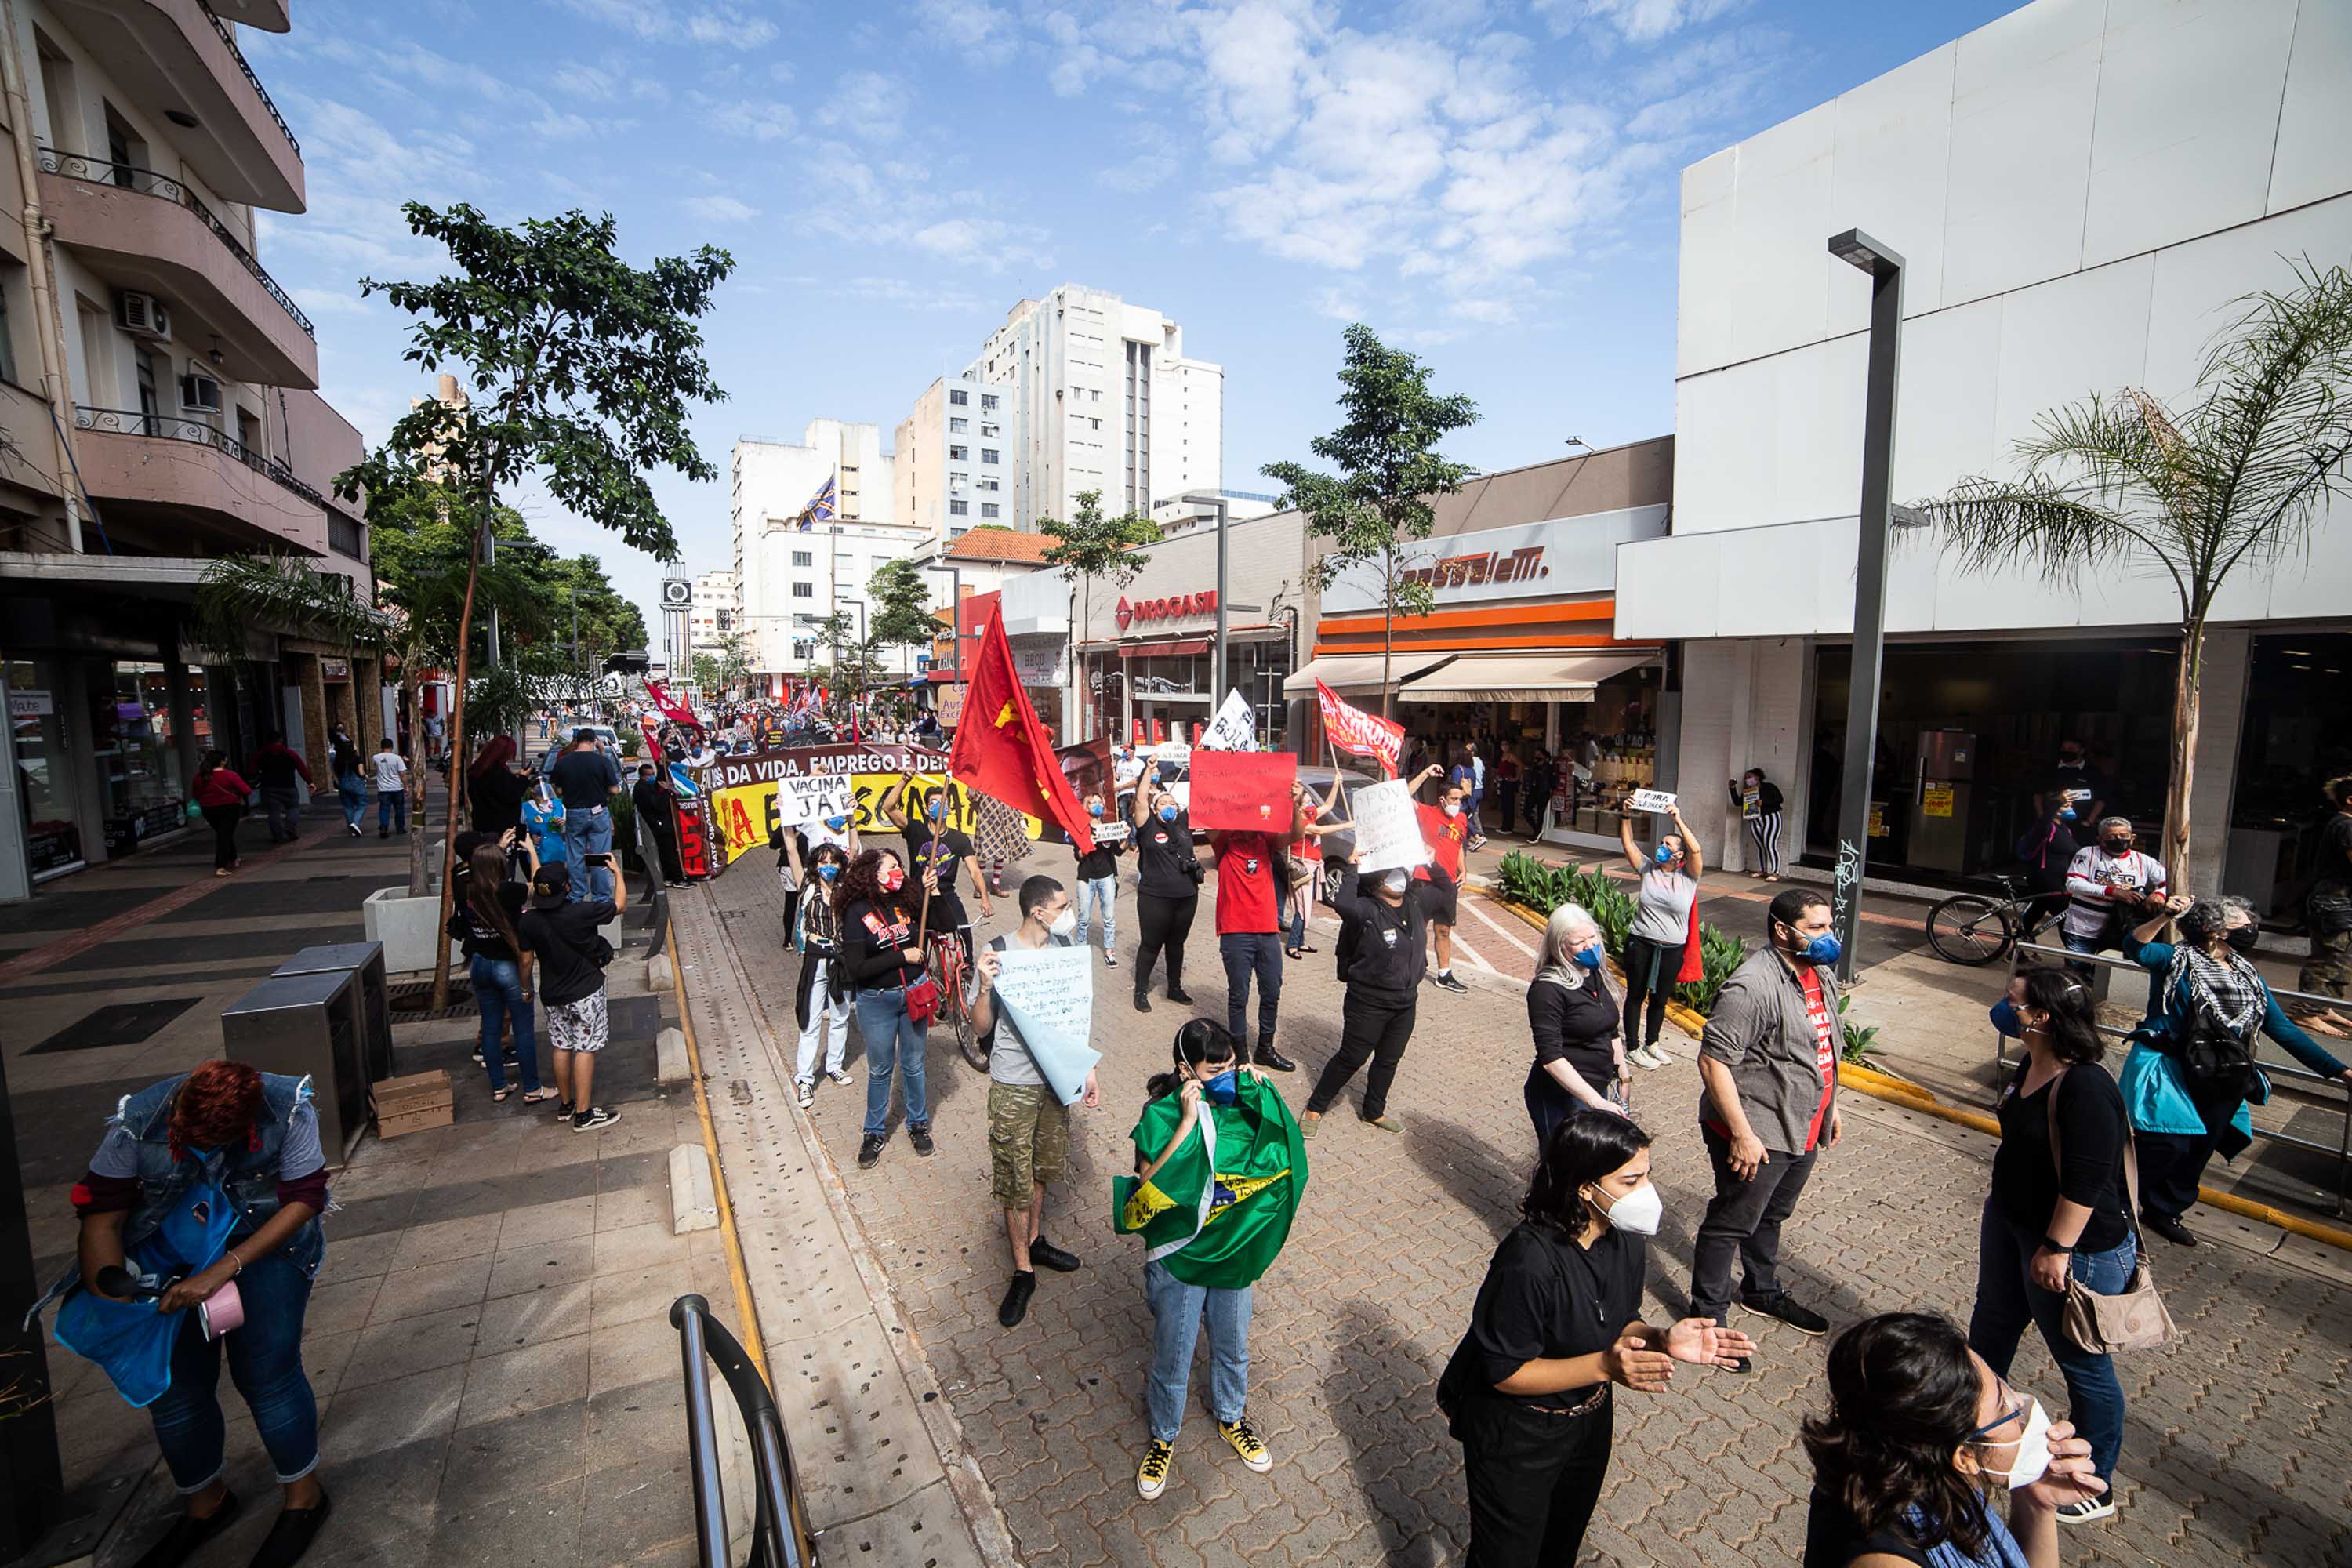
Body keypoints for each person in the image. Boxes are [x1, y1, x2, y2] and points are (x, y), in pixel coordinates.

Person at [35, 1060, 336, 1568]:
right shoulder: (141, 1120)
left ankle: (304, 1499)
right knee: (175, 1390)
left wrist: (225, 1268)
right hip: (169, 1249)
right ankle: (206, 1504)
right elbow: (100, 1214)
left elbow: (306, 1199)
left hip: (264, 1244)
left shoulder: (288, 1107)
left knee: (266, 1373)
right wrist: (118, 1303)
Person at [1439, 1112, 1755, 1566]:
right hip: (1518, 1433)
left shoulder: (1623, 1236)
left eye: (1647, 1176)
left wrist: (1662, 1338)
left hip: (1588, 1421)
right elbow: (1506, 1372)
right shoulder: (1527, 1261)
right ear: (1586, 1188)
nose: (1646, 1192)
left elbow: (1620, 1320)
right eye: (1630, 1181)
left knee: (1561, 1542)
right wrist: (1605, 1367)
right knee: (1507, 1555)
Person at [1974, 967, 2136, 1515]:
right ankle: (1974, 1425)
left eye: (2012, 1002)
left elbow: (2087, 1182)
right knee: (1992, 1325)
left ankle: (2094, 1485)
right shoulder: (2030, 1061)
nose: (2003, 1007)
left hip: (2071, 1251)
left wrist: (2057, 1249)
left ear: (2041, 1017)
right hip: (2012, 1224)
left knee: (2084, 1368)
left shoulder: (2086, 1086)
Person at [1124, 1022, 1301, 1502]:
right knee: (1174, 1355)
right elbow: (1145, 1191)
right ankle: (1163, 1435)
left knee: (1233, 1344)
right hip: (1181, 1260)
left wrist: (1257, 1089)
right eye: (1214, 1069)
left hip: (1231, 1256)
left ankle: (1231, 1417)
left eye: (1230, 1065)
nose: (1225, 1076)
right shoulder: (1160, 1115)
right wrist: (1186, 1124)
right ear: (1187, 1071)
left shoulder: (1239, 1101)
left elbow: (1279, 1149)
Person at [2118, 892, 2351, 1247]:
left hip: (2222, 1074)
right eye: (2243, 922)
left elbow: (2283, 1029)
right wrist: (2164, 916)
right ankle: (2117, 1202)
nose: (2252, 927)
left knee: (2200, 1148)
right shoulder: (2175, 958)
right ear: (2216, 930)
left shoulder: (2247, 973)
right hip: (2172, 1067)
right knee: (2166, 1143)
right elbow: (2135, 947)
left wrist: (2339, 1071)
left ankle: (2166, 1210)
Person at [1802, 1312, 2108, 1568]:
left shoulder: (1910, 1475)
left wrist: (2037, 1504)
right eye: (2005, 1407)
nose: (2022, 1412)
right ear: (1965, 1456)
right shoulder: (1887, 1557)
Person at [1689, 887, 1844, 1363]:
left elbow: (1823, 1048)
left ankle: (1762, 1290)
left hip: (1804, 1125)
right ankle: (1710, 1320)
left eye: (1829, 925)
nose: (1828, 935)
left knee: (1771, 1215)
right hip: (1759, 1132)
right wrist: (1741, 1133)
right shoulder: (1752, 985)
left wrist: (1831, 1106)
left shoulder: (1821, 974)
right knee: (1731, 1222)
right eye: (1816, 927)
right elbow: (1714, 1061)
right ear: (1783, 930)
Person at [970, 876, 1103, 1328]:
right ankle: (1022, 1269)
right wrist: (986, 986)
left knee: (1045, 1167)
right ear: (1038, 912)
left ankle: (1035, 1239)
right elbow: (981, 1029)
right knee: (1013, 1174)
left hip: (1055, 1082)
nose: (1070, 912)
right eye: (1063, 905)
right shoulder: (998, 952)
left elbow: (1075, 1016)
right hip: (1013, 1084)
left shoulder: (1065, 951)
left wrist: (1087, 1067)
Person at [1302, 844, 1429, 1133]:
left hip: (1406, 1002)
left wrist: (1426, 857)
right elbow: (1343, 904)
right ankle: (1315, 1107)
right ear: (1375, 881)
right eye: (1389, 872)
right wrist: (1352, 868)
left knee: (1388, 1059)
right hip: (1369, 1002)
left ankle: (1374, 1111)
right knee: (1351, 1057)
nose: (1398, 876)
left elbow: (1446, 890)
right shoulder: (1366, 909)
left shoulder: (1414, 902)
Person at [837, 847, 934, 1169]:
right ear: (873, 874)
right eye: (892, 867)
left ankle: (918, 1124)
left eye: (900, 867)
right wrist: (900, 957)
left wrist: (935, 891)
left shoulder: (907, 899)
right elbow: (856, 968)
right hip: (876, 1001)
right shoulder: (856, 911)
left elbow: (943, 921)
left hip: (913, 996)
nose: (899, 873)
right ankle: (874, 1132)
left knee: (914, 1064)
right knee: (880, 1069)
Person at [517, 858, 626, 1130]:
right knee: (586, 1049)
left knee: (561, 1045)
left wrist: (526, 988)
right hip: (586, 991)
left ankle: (566, 1104)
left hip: (552, 993)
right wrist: (617, 873)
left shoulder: (528, 921)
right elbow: (620, 905)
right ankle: (584, 1114)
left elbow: (526, 961)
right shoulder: (581, 912)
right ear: (566, 887)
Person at [1210, 779, 1307, 1073]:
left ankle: (1266, 1047)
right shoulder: (1224, 840)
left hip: (1267, 931)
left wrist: (1295, 803)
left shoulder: (1265, 839)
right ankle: (1241, 1055)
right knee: (1239, 994)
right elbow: (1211, 824)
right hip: (1235, 931)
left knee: (1272, 990)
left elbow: (1295, 834)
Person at [447, 841, 554, 1105]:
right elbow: (538, 885)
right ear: (499, 866)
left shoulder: (468, 890)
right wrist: (530, 851)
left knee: (492, 1028)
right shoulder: (508, 891)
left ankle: (499, 1086)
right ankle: (532, 1087)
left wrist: (497, 846)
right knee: (524, 1029)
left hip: (480, 965)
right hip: (507, 967)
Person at [1526, 903, 1628, 1151]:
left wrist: (1624, 1078)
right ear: (1559, 946)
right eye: (1578, 942)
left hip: (1599, 1088)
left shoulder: (1595, 974)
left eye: (1592, 937)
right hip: (1564, 1095)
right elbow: (1551, 1059)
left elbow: (1609, 1030)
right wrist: (1594, 1101)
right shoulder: (1546, 989)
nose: (1589, 946)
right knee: (1565, 1166)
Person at [1617, 801, 1702, 1071]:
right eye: (1662, 843)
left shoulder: (1689, 877)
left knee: (1660, 999)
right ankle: (1632, 1047)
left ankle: (1651, 1043)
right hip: (1641, 943)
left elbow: (1697, 849)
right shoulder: (1648, 869)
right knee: (1636, 995)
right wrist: (1626, 815)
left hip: (1671, 949)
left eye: (1669, 845)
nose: (1661, 848)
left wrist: (1678, 819)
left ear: (1679, 856)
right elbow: (1628, 843)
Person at [881, 775, 996, 950]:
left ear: (949, 809)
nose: (938, 806)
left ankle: (967, 967)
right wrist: (905, 779)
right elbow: (888, 808)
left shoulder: (959, 839)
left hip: (946, 894)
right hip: (918, 894)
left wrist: (985, 899)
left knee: (963, 930)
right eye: (933, 803)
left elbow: (974, 871)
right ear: (927, 810)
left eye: (942, 802)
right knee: (919, 937)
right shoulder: (915, 830)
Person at [790, 842, 856, 1109]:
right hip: (816, 959)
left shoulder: (845, 890)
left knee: (841, 1016)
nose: (828, 866)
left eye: (833, 861)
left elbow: (855, 849)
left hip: (840, 960)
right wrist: (787, 824)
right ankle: (805, 1079)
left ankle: (835, 1066)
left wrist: (852, 820)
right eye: (822, 861)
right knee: (811, 1019)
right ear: (815, 866)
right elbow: (792, 850)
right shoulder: (807, 888)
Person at [1129, 773, 1201, 1014]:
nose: (1169, 807)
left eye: (1172, 803)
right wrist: (1149, 770)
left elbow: (1204, 797)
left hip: (1186, 897)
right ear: (1154, 807)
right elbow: (1139, 800)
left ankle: (1174, 988)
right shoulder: (1146, 825)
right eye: (1163, 803)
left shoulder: (1182, 825)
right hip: (1154, 898)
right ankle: (1141, 990)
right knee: (1151, 945)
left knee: (1176, 945)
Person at [2058, 818, 2166, 967]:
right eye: (2111, 836)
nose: (2119, 839)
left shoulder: (2143, 860)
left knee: (2112, 973)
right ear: (2100, 839)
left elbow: (2168, 883)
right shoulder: (2087, 854)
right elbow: (2073, 883)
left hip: (2122, 928)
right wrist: (2112, 892)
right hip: (2083, 925)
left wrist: (2158, 894)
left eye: (2123, 835)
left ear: (2132, 838)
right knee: (2077, 969)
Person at [1410, 762, 1473, 995]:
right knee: (1418, 928)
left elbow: (1458, 846)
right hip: (1424, 881)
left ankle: (1444, 975)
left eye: (1460, 800)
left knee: (1444, 931)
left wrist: (1462, 869)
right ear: (1442, 800)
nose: (1457, 804)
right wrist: (1425, 772)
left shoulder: (1462, 819)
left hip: (1448, 884)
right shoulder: (1427, 812)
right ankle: (1414, 967)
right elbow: (1404, 796)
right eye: (1454, 799)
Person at [547, 728, 623, 902]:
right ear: (595, 741)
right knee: (600, 856)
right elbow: (615, 790)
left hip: (574, 813)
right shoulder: (602, 762)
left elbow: (557, 790)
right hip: (598, 812)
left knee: (574, 855)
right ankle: (601, 897)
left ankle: (577, 894)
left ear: (576, 741)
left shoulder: (564, 762)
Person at [1282, 775, 1346, 960]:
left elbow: (1328, 806)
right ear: (1299, 806)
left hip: (1312, 865)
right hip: (1303, 867)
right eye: (1306, 799)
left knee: (1306, 905)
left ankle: (1300, 941)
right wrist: (1348, 825)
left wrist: (1335, 785)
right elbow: (1320, 831)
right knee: (1302, 908)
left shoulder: (1308, 813)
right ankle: (1293, 945)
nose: (1311, 803)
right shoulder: (1300, 822)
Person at [2299, 774, 2352, 999]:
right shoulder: (2347, 826)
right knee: (2328, 957)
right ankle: (2307, 1010)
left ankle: (2324, 1006)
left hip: (2338, 900)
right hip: (2332, 901)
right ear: (2350, 799)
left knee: (2341, 958)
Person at [1071, 790, 1124, 967]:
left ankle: (1109, 951)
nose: (1097, 805)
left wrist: (1125, 836)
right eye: (1093, 802)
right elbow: (1078, 855)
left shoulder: (1109, 827)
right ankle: (1080, 948)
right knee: (1084, 916)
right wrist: (1088, 845)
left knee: (1108, 917)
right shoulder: (1082, 828)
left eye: (1099, 802)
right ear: (1086, 806)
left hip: (1106, 877)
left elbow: (1118, 851)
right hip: (1086, 878)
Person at [193, 750, 251, 877]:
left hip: (208, 810)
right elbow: (247, 791)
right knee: (224, 835)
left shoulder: (200, 777)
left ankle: (234, 857)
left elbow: (196, 795)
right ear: (223, 761)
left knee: (224, 833)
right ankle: (221, 866)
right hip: (229, 808)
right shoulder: (230, 775)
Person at [2033, 740, 2109, 836]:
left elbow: (2101, 799)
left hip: (2080, 824)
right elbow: (2038, 795)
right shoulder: (2049, 769)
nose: (2066, 751)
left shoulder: (2093, 772)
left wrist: (2089, 821)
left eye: (2071, 749)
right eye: (2064, 749)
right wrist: (2042, 819)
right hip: (2051, 823)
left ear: (2081, 751)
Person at [466, 735, 529, 844]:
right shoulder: (499, 773)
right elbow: (511, 794)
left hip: (481, 822)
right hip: (502, 827)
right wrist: (522, 779)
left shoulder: (477, 770)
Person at [250, 731, 310, 844]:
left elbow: (252, 770)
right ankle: (290, 827)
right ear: (281, 740)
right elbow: (302, 768)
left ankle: (278, 835)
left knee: (274, 812)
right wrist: (309, 781)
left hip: (269, 787)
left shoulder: (261, 754)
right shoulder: (290, 754)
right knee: (293, 808)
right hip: (288, 786)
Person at [633, 762, 687, 887]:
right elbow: (658, 806)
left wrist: (662, 766)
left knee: (665, 852)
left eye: (653, 774)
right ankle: (677, 879)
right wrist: (666, 792)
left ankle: (667, 877)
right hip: (658, 825)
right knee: (669, 852)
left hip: (657, 824)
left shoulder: (646, 787)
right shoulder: (642, 789)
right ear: (642, 776)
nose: (652, 777)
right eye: (649, 775)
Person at [1733, 767, 1786, 880]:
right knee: (1761, 846)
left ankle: (1775, 872)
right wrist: (1732, 788)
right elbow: (1738, 802)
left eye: (1750, 777)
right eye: (1746, 778)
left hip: (1771, 818)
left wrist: (1764, 802)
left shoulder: (1769, 787)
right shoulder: (1748, 792)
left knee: (1770, 845)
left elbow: (1780, 799)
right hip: (1756, 819)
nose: (1747, 779)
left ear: (1758, 778)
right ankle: (1763, 870)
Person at [521, 779, 567, 874]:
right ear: (531, 790)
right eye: (538, 786)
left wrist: (563, 825)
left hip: (556, 852)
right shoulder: (525, 807)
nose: (541, 789)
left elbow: (567, 830)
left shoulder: (558, 805)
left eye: (543, 785)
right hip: (536, 854)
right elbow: (521, 830)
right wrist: (530, 838)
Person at [330, 736, 367, 838]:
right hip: (356, 784)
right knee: (362, 804)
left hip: (343, 784)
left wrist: (339, 784)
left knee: (348, 806)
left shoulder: (337, 760)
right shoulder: (357, 758)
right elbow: (361, 772)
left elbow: (334, 774)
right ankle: (355, 823)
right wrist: (365, 777)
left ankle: (352, 828)